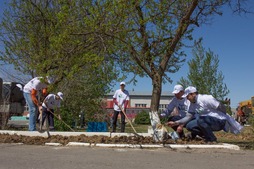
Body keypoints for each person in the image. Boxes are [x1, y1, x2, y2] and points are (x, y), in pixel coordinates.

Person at [169, 86, 243, 143]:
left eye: (187, 96)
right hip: (206, 121)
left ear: (193, 94)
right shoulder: (192, 104)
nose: (187, 99)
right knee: (189, 126)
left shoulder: (206, 98)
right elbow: (188, 117)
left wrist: (224, 117)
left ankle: (211, 139)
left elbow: (221, 106)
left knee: (201, 120)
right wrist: (176, 123)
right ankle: (207, 136)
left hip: (219, 121)